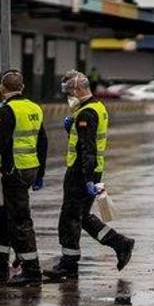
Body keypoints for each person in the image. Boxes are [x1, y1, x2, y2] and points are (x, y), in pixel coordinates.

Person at [43, 71, 135, 281]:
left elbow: (88, 148)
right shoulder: (97, 107)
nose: (68, 97)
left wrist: (87, 179)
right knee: (82, 216)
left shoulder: (86, 114)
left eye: (68, 92)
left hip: (80, 172)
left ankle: (68, 265)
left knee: (69, 217)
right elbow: (85, 142)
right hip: (90, 170)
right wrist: (71, 130)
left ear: (77, 90)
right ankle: (120, 243)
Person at [0, 69, 48, 292]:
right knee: (0, 217)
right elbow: (43, 142)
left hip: (12, 172)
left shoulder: (7, 109)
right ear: (22, 87)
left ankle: (32, 271)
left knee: (19, 221)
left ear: (3, 89)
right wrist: (40, 172)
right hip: (29, 169)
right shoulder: (35, 107)